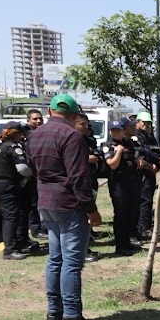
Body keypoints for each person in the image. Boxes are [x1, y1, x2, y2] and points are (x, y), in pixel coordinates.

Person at [26, 94, 106, 320]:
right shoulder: (72, 136)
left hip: (46, 202)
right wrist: (91, 210)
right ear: (73, 115)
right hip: (68, 204)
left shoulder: (34, 135)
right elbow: (79, 177)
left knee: (55, 258)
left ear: (50, 112)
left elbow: (32, 168)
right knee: (71, 262)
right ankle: (71, 318)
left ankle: (54, 313)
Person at [0, 121, 33, 260]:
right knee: (11, 217)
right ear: (17, 134)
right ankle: (10, 250)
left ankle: (18, 244)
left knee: (9, 215)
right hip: (7, 185)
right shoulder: (13, 148)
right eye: (21, 134)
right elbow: (23, 170)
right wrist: (33, 173)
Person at [103, 119, 143, 256]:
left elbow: (135, 155)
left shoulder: (129, 143)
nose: (116, 132)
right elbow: (112, 165)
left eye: (118, 130)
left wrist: (138, 160)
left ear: (123, 130)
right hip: (118, 184)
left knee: (130, 213)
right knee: (121, 214)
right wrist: (119, 152)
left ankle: (127, 242)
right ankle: (120, 246)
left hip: (131, 182)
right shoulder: (108, 145)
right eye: (113, 130)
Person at [74, 112, 101, 262]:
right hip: (79, 186)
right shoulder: (72, 140)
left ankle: (85, 246)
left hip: (90, 180)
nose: (86, 127)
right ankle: (81, 252)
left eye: (86, 124)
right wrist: (86, 158)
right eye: (82, 124)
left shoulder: (85, 139)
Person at [134, 111, 160, 236]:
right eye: (144, 123)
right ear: (138, 122)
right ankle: (143, 228)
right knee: (144, 201)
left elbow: (156, 152)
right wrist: (153, 164)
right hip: (143, 172)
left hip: (152, 172)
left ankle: (147, 225)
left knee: (149, 200)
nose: (147, 125)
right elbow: (144, 152)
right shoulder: (137, 136)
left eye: (149, 123)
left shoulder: (150, 136)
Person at [25, 108, 48, 240]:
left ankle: (42, 226)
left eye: (40, 118)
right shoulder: (27, 134)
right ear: (28, 120)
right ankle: (36, 229)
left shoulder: (43, 133)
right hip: (32, 175)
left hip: (42, 174)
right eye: (35, 119)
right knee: (34, 204)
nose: (38, 121)